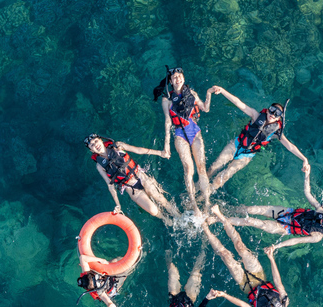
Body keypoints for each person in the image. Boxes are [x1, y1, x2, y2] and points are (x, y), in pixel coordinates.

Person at [201, 205, 292, 307]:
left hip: (245, 285)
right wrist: (271, 258)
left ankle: (205, 228)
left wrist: (224, 295)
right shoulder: (284, 300)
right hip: (259, 275)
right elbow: (278, 281)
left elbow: (244, 305)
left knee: (225, 255)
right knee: (240, 247)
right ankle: (220, 216)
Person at [206, 86, 310, 192]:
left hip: (246, 156)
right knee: (213, 168)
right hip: (235, 145)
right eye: (272, 110)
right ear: (268, 110)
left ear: (279, 118)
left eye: (277, 113)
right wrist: (222, 90)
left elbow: (290, 147)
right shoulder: (256, 115)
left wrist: (304, 159)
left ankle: (202, 197)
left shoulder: (276, 133)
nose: (273, 114)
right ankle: (198, 186)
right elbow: (239, 103)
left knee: (221, 179)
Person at [223, 168, 323, 251]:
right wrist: (307, 174)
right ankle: (228, 209)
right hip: (287, 212)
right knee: (250, 209)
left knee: (250, 221)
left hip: (284, 228)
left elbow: (295, 241)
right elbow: (307, 192)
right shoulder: (321, 211)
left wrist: (276, 246)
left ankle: (220, 219)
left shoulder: (317, 237)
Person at [153, 66, 213, 212]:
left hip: (194, 131)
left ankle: (206, 202)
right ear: (171, 82)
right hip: (179, 134)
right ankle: (194, 205)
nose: (177, 79)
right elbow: (168, 121)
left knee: (201, 168)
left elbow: (205, 108)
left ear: (184, 79)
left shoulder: (191, 93)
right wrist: (166, 145)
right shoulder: (166, 99)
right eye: (174, 78)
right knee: (188, 169)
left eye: (180, 76)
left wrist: (209, 93)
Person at [85, 134, 180, 225]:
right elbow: (110, 185)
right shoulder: (99, 166)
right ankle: (164, 218)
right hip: (132, 189)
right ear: (91, 150)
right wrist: (118, 204)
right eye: (92, 145)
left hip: (141, 177)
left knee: (161, 200)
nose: (95, 144)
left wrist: (160, 153)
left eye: (96, 141)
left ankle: (179, 216)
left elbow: (138, 150)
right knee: (153, 210)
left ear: (101, 140)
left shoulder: (118, 146)